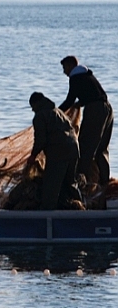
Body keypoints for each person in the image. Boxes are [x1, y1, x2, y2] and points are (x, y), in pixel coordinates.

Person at [58, 56, 113, 185]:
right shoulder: (87, 76)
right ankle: (104, 183)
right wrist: (80, 103)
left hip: (95, 111)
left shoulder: (75, 78)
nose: (64, 71)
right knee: (101, 149)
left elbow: (69, 100)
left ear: (71, 65)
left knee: (85, 146)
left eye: (64, 67)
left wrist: (55, 112)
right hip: (108, 109)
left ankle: (81, 181)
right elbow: (91, 94)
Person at [27, 92, 80, 210]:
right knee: (71, 183)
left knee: (51, 187)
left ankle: (47, 214)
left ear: (36, 104)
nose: (32, 110)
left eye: (32, 107)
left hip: (59, 153)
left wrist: (33, 156)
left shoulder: (40, 116)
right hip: (74, 150)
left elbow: (40, 140)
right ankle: (80, 208)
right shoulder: (59, 112)